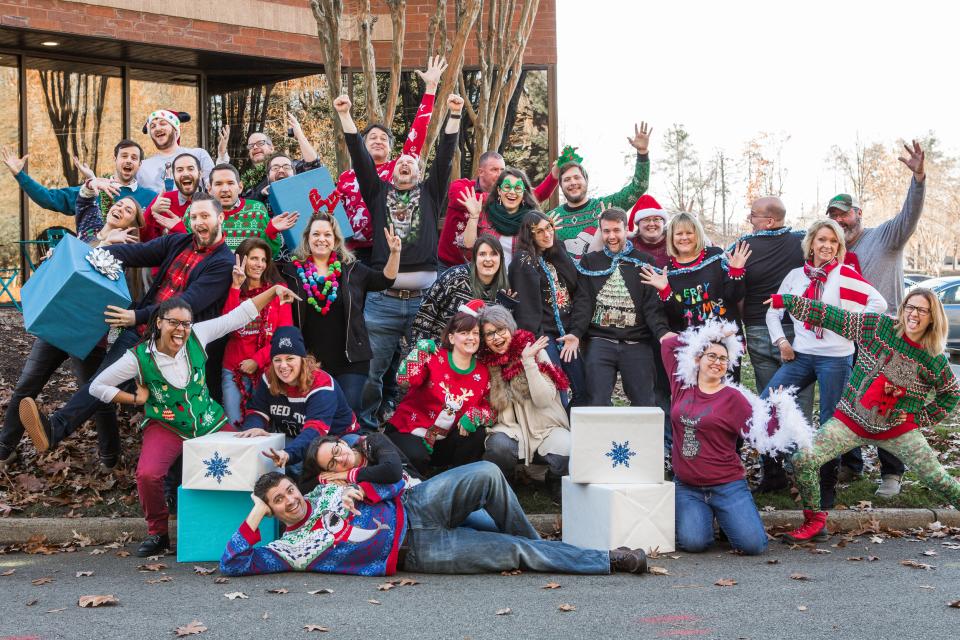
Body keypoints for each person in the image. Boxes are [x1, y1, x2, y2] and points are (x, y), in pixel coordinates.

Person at [18, 193, 235, 469]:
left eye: (205, 216)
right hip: (143, 331)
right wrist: (76, 253)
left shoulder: (223, 263)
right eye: (193, 217)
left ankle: (170, 484)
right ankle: (53, 430)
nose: (198, 222)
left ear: (221, 218)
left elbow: (187, 305)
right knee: (101, 380)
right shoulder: (179, 241)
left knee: (166, 411)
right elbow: (130, 253)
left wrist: (136, 315)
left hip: (172, 346)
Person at [82, 284, 298, 556]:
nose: (181, 330)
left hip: (209, 422)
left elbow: (238, 316)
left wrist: (274, 290)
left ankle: (270, 524)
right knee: (148, 474)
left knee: (254, 458)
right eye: (173, 323)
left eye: (185, 324)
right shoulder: (137, 357)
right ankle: (158, 533)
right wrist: (136, 400)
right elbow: (97, 386)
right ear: (159, 323)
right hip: (167, 424)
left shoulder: (198, 335)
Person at [221, 462, 649, 576]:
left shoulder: (327, 488)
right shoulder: (287, 549)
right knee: (516, 550)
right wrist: (255, 512)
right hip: (417, 551)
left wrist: (362, 488)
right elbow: (232, 563)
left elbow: (395, 481)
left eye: (288, 490)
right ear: (274, 511)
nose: (290, 500)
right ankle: (608, 561)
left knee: (487, 472)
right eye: (278, 501)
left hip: (416, 505)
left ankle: (552, 552)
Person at [770, 289, 960, 543]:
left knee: (940, 480)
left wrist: (919, 419)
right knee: (804, 459)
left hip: (897, 430)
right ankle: (815, 522)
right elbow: (835, 317)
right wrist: (789, 301)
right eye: (910, 307)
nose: (914, 314)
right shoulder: (878, 327)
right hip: (850, 421)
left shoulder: (933, 358)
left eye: (922, 310)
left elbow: (950, 394)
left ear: (933, 317)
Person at [335, 91, 463, 430]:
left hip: (426, 303)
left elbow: (446, 157)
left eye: (413, 163)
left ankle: (418, 427)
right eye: (401, 162)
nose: (406, 163)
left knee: (425, 369)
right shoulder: (377, 194)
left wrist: (453, 115)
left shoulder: (431, 194)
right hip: (382, 303)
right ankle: (363, 429)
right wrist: (346, 116)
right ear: (391, 173)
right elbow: (360, 158)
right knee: (372, 372)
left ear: (420, 174)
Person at [0, 186, 143, 470]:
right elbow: (74, 256)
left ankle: (109, 457)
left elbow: (93, 270)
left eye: (129, 211)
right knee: (26, 386)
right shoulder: (91, 233)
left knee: (95, 394)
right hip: (56, 326)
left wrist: (107, 244)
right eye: (120, 205)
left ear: (133, 226)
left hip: (88, 335)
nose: (120, 210)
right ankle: (4, 449)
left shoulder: (128, 249)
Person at [825, 140, 927, 496]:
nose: (840, 220)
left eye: (844, 213)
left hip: (889, 334)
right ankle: (851, 464)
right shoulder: (832, 252)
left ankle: (891, 473)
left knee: (887, 401)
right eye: (833, 215)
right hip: (848, 337)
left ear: (858, 214)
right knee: (847, 399)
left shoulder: (885, 237)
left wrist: (918, 178)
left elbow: (908, 215)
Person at [660, 320, 811, 555]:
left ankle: (724, 513)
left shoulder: (734, 398)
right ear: (698, 358)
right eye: (711, 356)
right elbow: (668, 343)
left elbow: (764, 436)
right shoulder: (681, 384)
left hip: (727, 486)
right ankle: (706, 516)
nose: (717, 362)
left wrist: (779, 410)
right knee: (693, 544)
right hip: (688, 487)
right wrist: (714, 333)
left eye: (723, 359)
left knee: (753, 546)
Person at [764, 220, 886, 509]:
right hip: (802, 356)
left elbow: (878, 304)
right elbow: (773, 312)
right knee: (769, 402)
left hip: (836, 358)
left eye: (833, 241)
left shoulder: (845, 275)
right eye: (822, 239)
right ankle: (774, 473)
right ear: (811, 243)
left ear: (839, 247)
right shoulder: (795, 277)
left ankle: (826, 487)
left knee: (831, 423)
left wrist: (851, 326)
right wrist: (782, 342)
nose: (827, 245)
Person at [280, 213, 401, 413]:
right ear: (307, 238)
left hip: (350, 360)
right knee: (318, 413)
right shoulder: (291, 272)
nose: (321, 239)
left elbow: (385, 280)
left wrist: (395, 253)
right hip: (310, 360)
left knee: (347, 412)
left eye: (327, 235)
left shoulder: (353, 270)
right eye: (316, 234)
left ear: (336, 240)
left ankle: (349, 444)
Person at [738, 196, 814, 492]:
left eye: (753, 214)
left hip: (760, 327)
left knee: (769, 401)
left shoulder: (744, 245)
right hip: (795, 329)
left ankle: (774, 473)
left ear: (769, 221)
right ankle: (802, 470)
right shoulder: (803, 241)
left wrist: (746, 321)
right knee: (800, 400)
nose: (749, 218)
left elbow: (736, 289)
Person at [338, 56, 445, 262]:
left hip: (388, 247)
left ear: (390, 148)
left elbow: (417, 134)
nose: (378, 141)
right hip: (350, 250)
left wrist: (430, 89)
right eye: (372, 138)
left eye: (384, 139)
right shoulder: (346, 177)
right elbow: (332, 210)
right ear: (361, 144)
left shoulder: (398, 169)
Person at [564, 208, 671, 407]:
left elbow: (651, 306)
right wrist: (576, 332)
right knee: (596, 401)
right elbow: (583, 302)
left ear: (627, 229)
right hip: (600, 340)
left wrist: (662, 332)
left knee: (645, 402)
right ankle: (601, 438)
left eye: (616, 230)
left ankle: (639, 438)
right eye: (606, 231)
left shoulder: (644, 261)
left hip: (636, 342)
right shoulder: (590, 261)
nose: (611, 236)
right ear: (601, 231)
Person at [384, 303, 494, 476]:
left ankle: (460, 481)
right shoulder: (434, 356)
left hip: (443, 440)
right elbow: (404, 380)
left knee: (477, 433)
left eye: (475, 333)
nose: (471, 338)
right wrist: (419, 352)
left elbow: (490, 408)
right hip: (410, 430)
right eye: (464, 333)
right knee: (417, 457)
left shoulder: (483, 371)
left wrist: (476, 414)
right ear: (451, 338)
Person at [476, 305, 570, 499]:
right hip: (510, 428)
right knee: (498, 447)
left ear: (510, 329)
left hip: (546, 427)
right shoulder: (485, 363)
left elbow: (544, 400)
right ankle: (505, 482)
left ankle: (556, 479)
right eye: (490, 334)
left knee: (568, 447)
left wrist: (528, 362)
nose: (497, 338)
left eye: (501, 330)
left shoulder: (533, 351)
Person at [237, 326, 360, 474]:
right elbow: (257, 410)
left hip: (338, 440)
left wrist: (288, 454)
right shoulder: (269, 378)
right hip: (296, 437)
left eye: (290, 358)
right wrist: (255, 427)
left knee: (298, 465)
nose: (283, 365)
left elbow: (315, 431)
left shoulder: (322, 384)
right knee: (268, 458)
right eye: (277, 360)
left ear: (303, 360)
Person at [509, 212, 585, 406]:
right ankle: (561, 432)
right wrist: (536, 340)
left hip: (568, 333)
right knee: (558, 391)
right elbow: (526, 309)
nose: (547, 234)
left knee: (582, 389)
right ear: (529, 235)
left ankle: (577, 431)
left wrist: (575, 332)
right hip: (544, 335)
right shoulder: (523, 260)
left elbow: (575, 284)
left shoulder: (554, 253)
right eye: (539, 231)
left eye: (549, 228)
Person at [547, 123, 652, 261]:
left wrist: (642, 153)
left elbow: (639, 187)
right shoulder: (552, 218)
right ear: (560, 185)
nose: (572, 182)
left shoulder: (606, 206)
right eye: (567, 179)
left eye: (577, 177)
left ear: (586, 181)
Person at [440, 151, 559, 270]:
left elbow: (536, 195)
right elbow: (460, 197)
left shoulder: (504, 196)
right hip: (448, 264)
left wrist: (554, 175)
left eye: (502, 170)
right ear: (481, 172)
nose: (499, 174)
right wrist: (500, 197)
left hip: (478, 267)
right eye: (494, 170)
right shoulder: (461, 186)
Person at [639, 212, 751, 333]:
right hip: (692, 342)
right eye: (679, 234)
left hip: (725, 334)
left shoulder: (715, 256)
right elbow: (676, 316)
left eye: (689, 233)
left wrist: (736, 272)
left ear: (697, 235)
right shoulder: (668, 271)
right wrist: (665, 291)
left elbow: (734, 296)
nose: (684, 237)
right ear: (671, 237)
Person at [221, 239, 292, 425]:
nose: (259, 264)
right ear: (242, 260)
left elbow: (284, 336)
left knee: (263, 427)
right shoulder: (232, 289)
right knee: (234, 425)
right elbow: (227, 326)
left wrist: (257, 360)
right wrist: (235, 287)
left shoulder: (279, 291)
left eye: (263, 260)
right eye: (253, 258)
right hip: (234, 370)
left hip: (268, 370)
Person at [0, 140, 157, 215]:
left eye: (134, 158)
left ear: (140, 164)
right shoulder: (92, 191)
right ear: (114, 159)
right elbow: (48, 198)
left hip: (137, 272)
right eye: (124, 156)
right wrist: (20, 175)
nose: (129, 160)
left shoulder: (151, 198)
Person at [408, 233, 510, 348]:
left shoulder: (504, 291)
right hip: (438, 351)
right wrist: (420, 350)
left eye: (493, 254)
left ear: (501, 259)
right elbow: (425, 313)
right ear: (474, 258)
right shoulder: (455, 277)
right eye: (482, 254)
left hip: (474, 359)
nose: (488, 259)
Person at [188, 163, 297, 254]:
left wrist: (271, 231)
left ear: (240, 187)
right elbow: (187, 250)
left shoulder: (257, 210)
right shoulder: (195, 212)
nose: (225, 189)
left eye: (230, 183)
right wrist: (177, 229)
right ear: (209, 189)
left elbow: (269, 255)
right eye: (218, 184)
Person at [215, 112, 319, 203]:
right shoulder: (245, 182)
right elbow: (231, 200)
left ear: (272, 148)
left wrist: (300, 135)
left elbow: (313, 165)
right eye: (251, 146)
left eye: (260, 143)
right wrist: (222, 154)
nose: (255, 147)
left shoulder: (288, 168)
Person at [460, 167, 544, 268]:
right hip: (489, 279)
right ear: (499, 191)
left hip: (522, 280)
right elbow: (468, 247)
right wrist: (473, 217)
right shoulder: (485, 213)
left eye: (518, 188)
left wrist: (547, 232)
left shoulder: (534, 219)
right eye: (507, 187)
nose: (512, 192)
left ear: (523, 193)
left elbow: (543, 254)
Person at [137, 109, 214, 193]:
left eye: (163, 123)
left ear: (175, 129)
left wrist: (222, 156)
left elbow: (215, 185)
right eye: (152, 126)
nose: (157, 128)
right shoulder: (142, 167)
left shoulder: (198, 155)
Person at [139, 152, 204, 244]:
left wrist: (180, 228)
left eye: (190, 169)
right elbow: (144, 240)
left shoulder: (210, 203)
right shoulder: (163, 199)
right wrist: (151, 213)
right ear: (173, 176)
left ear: (200, 173)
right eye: (180, 170)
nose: (185, 173)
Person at [626, 194, 670, 268]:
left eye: (656, 219)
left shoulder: (674, 241)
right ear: (638, 224)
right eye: (646, 219)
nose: (652, 224)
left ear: (663, 222)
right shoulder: (628, 244)